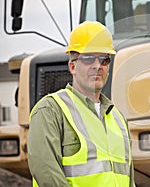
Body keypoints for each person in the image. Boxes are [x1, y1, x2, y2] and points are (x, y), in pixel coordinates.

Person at [28, 21, 135, 187]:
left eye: (104, 60)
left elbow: (129, 180)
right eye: (88, 58)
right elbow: (47, 174)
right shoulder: (50, 111)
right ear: (72, 66)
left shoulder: (119, 119)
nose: (97, 66)